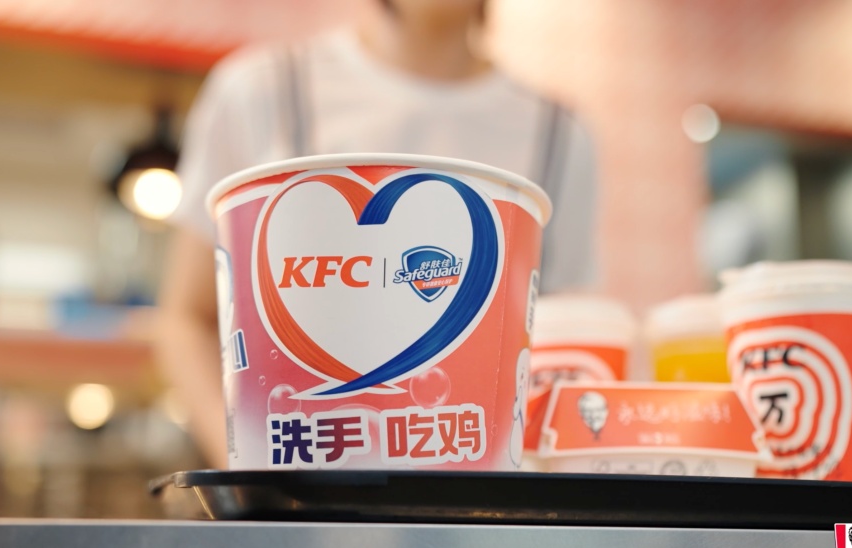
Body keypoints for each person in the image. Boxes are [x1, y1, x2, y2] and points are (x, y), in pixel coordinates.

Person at [156, 0, 598, 468]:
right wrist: (252, 471)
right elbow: (186, 319)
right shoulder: (261, 89)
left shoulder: (561, 135)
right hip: (299, 485)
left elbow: (565, 336)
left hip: (477, 493)